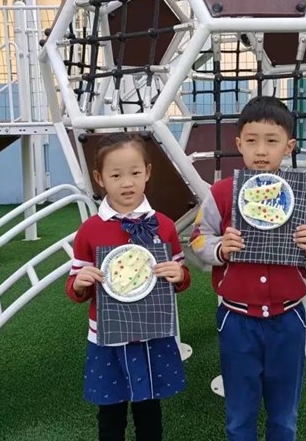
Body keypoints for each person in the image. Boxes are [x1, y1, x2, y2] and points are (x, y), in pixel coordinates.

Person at [190, 95, 306, 441]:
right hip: (236, 319)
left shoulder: (302, 196)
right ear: (239, 144)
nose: (261, 151)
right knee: (239, 414)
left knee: (284, 414)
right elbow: (198, 237)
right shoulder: (222, 193)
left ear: (289, 146)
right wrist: (220, 248)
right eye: (252, 141)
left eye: (272, 141)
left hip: (289, 318)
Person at [67, 132, 191, 441]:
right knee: (110, 414)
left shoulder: (164, 225)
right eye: (116, 175)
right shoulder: (89, 230)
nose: (127, 183)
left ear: (147, 172)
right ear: (99, 179)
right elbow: (75, 287)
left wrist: (179, 274)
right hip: (107, 337)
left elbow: (182, 278)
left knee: (149, 411)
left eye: (135, 173)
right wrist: (80, 283)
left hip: (151, 333)